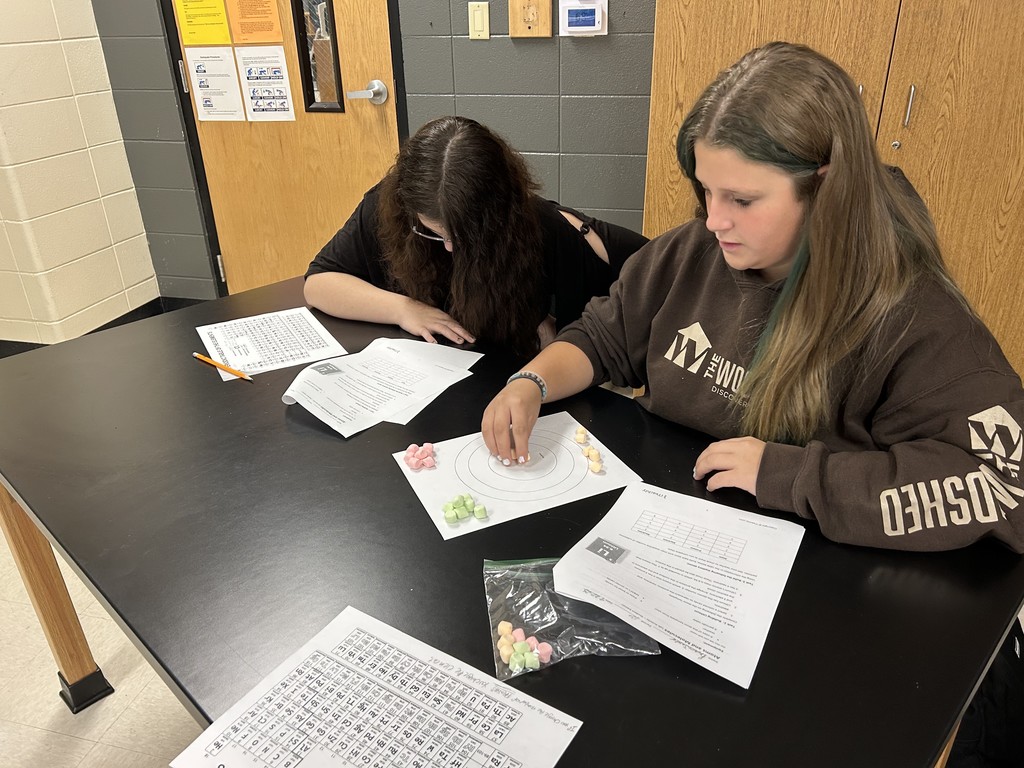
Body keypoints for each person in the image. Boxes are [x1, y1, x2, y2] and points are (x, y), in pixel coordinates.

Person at [481, 41, 1024, 553]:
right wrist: (532, 381)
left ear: (825, 188)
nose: (714, 221)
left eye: (742, 198)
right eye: (707, 191)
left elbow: (1004, 485)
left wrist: (793, 476)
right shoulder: (696, 248)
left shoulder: (912, 314)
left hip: (815, 569)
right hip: (678, 528)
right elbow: (605, 336)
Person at [303, 116, 649, 356]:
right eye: (435, 232)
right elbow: (319, 284)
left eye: (465, 235)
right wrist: (403, 309)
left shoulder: (539, 224)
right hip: (424, 374)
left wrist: (546, 325)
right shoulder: (389, 204)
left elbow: (649, 265)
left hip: (504, 378)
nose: (451, 247)